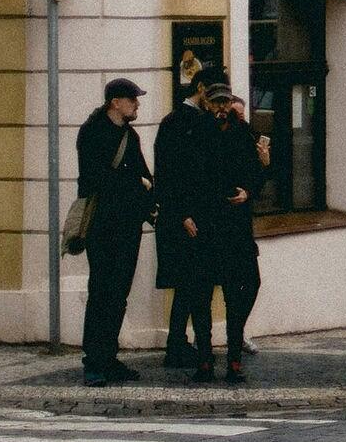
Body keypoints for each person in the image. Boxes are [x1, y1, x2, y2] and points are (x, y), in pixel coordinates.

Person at [76, 76, 153, 387]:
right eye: (132, 99)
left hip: (128, 225)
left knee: (119, 294)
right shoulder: (92, 133)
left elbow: (144, 175)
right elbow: (95, 178)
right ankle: (93, 360)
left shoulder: (129, 136)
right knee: (101, 292)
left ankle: (108, 356)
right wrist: (134, 184)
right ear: (116, 103)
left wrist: (146, 193)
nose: (137, 104)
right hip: (102, 225)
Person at [155, 69, 226, 381]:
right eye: (215, 95)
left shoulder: (196, 120)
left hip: (196, 215)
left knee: (189, 284)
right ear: (201, 90)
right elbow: (169, 173)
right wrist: (182, 213)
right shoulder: (179, 123)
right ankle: (178, 343)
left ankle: (179, 342)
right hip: (184, 218)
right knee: (189, 282)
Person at [212, 91, 266, 383]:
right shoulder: (204, 134)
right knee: (220, 292)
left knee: (250, 284)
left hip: (240, 225)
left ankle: (234, 346)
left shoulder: (242, 133)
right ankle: (219, 359)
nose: (222, 109)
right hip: (214, 223)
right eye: (218, 104)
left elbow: (257, 175)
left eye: (226, 105)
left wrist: (249, 189)